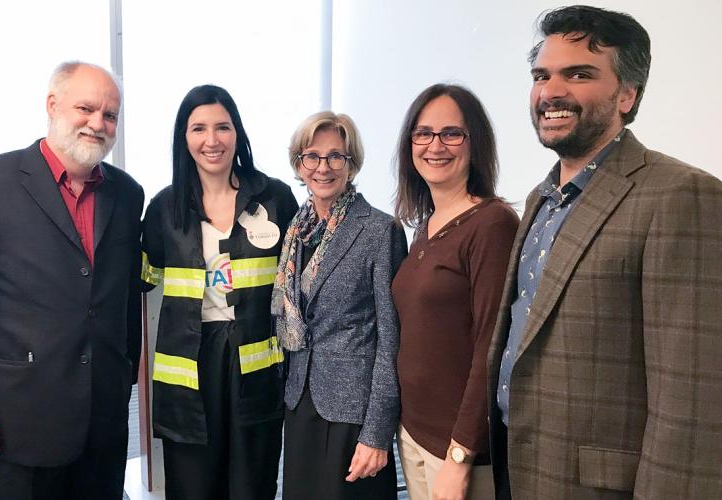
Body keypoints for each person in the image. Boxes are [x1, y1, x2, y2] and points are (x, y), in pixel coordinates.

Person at [488, 6, 722, 499]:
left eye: (579, 74)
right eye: (541, 75)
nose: (551, 91)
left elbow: (692, 399)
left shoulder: (681, 195)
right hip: (519, 466)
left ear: (628, 93)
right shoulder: (539, 200)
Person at [0, 61, 144, 500]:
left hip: (104, 418)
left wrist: (124, 372)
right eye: (86, 108)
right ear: (52, 105)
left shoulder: (126, 194)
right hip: (19, 419)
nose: (97, 123)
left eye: (110, 115)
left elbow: (123, 296)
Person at [141, 84, 297, 500]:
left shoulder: (276, 198)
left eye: (222, 127)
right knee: (192, 484)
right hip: (190, 364)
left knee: (253, 482)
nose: (212, 140)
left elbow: (304, 280)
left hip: (256, 362)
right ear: (184, 137)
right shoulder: (163, 209)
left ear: (237, 133)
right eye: (199, 129)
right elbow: (139, 277)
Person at [391, 84, 518, 500]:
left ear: (475, 142)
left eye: (452, 133)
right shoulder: (425, 226)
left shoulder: (493, 225)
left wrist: (460, 456)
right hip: (414, 433)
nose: (435, 146)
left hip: (458, 450)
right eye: (423, 133)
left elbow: (491, 348)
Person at [272, 111, 407, 500]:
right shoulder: (296, 231)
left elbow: (391, 338)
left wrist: (377, 433)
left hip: (353, 411)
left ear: (352, 164)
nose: (323, 167)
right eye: (312, 156)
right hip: (300, 401)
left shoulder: (380, 230)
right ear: (299, 163)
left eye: (336, 157)